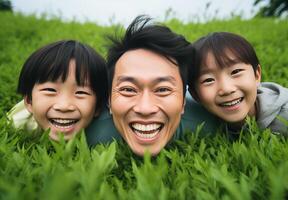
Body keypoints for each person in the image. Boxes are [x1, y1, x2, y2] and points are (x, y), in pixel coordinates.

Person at [86, 16, 220, 155]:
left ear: (183, 103)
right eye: (128, 90)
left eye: (162, 90)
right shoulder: (90, 133)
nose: (145, 109)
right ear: (109, 100)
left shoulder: (209, 122)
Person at [188, 32, 288, 136]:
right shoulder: (200, 124)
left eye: (236, 72)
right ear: (195, 94)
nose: (227, 89)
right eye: (208, 80)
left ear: (257, 75)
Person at [7, 40, 108, 141]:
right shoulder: (17, 125)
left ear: (98, 106)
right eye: (50, 90)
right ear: (29, 101)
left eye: (81, 92)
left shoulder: (107, 128)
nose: (64, 106)